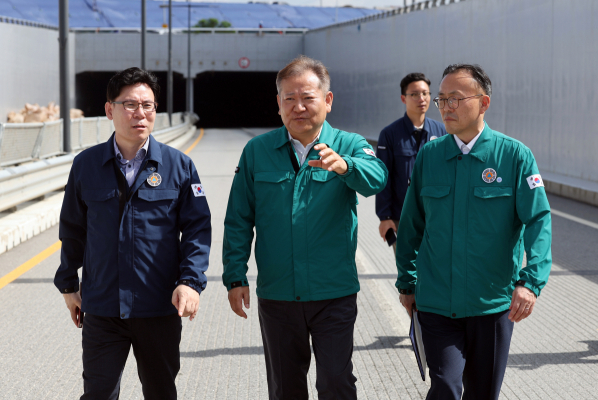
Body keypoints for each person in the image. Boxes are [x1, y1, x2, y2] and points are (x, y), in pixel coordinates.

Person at [222, 55, 387, 400]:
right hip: (278, 294)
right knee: (285, 387)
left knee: (336, 383)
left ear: (327, 101)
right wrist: (235, 276)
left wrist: (345, 167)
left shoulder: (350, 144)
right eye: (289, 99)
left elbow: (377, 179)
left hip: (334, 293)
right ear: (278, 104)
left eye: (308, 98)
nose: (299, 107)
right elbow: (239, 218)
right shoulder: (257, 151)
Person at [396, 64, 552, 399]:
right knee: (446, 387)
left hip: (492, 305)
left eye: (455, 98)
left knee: (482, 393)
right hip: (436, 302)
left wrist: (530, 282)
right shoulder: (430, 155)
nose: (446, 107)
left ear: (483, 103)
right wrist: (407, 282)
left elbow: (538, 220)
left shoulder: (514, 156)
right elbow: (411, 225)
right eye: (442, 100)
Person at [54, 67, 211, 400]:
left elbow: (197, 228)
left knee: (160, 392)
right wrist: (69, 285)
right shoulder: (86, 164)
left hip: (158, 307)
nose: (140, 113)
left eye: (148, 105)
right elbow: (72, 228)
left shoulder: (179, 166)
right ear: (110, 110)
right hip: (103, 308)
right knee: (98, 394)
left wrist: (190, 281)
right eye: (130, 105)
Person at [375, 72, 446, 252]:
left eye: (425, 93)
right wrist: (385, 217)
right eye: (414, 94)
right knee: (407, 272)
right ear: (403, 98)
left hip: (435, 216)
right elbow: (384, 177)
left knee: (434, 271)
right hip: (402, 217)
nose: (421, 98)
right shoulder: (390, 134)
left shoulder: (442, 131)